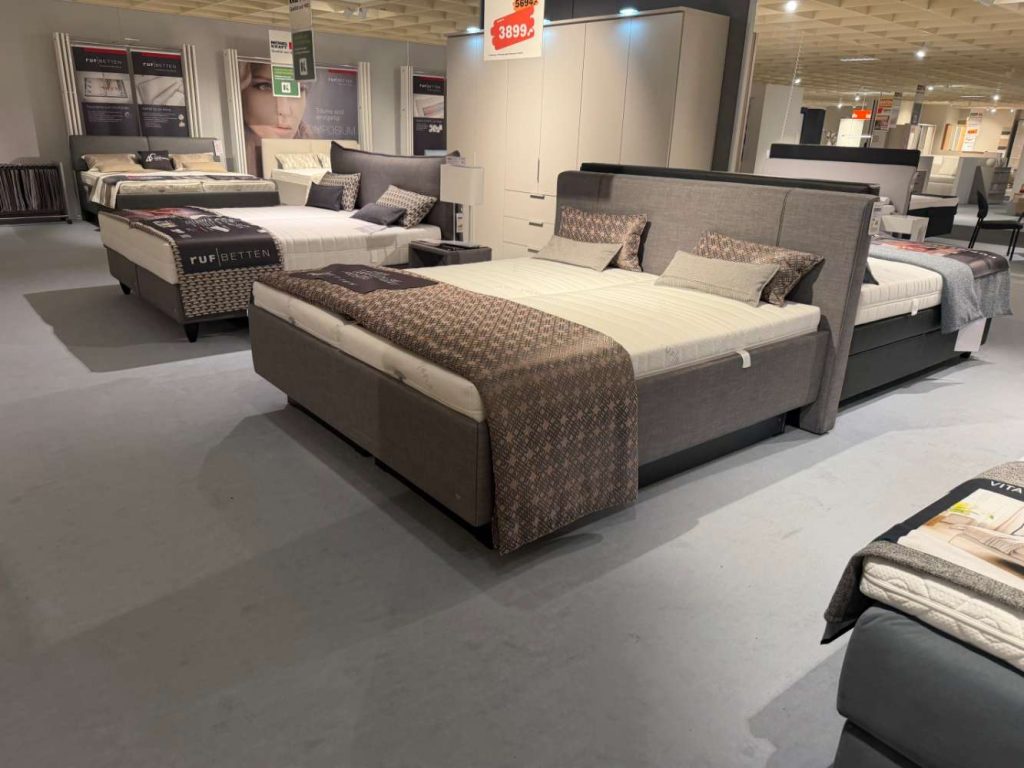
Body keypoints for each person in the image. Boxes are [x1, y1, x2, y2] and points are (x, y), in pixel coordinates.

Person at [239, 62, 312, 175]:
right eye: (265, 86)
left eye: (297, 90)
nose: (284, 111)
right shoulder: (234, 158)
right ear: (240, 91)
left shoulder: (316, 153)